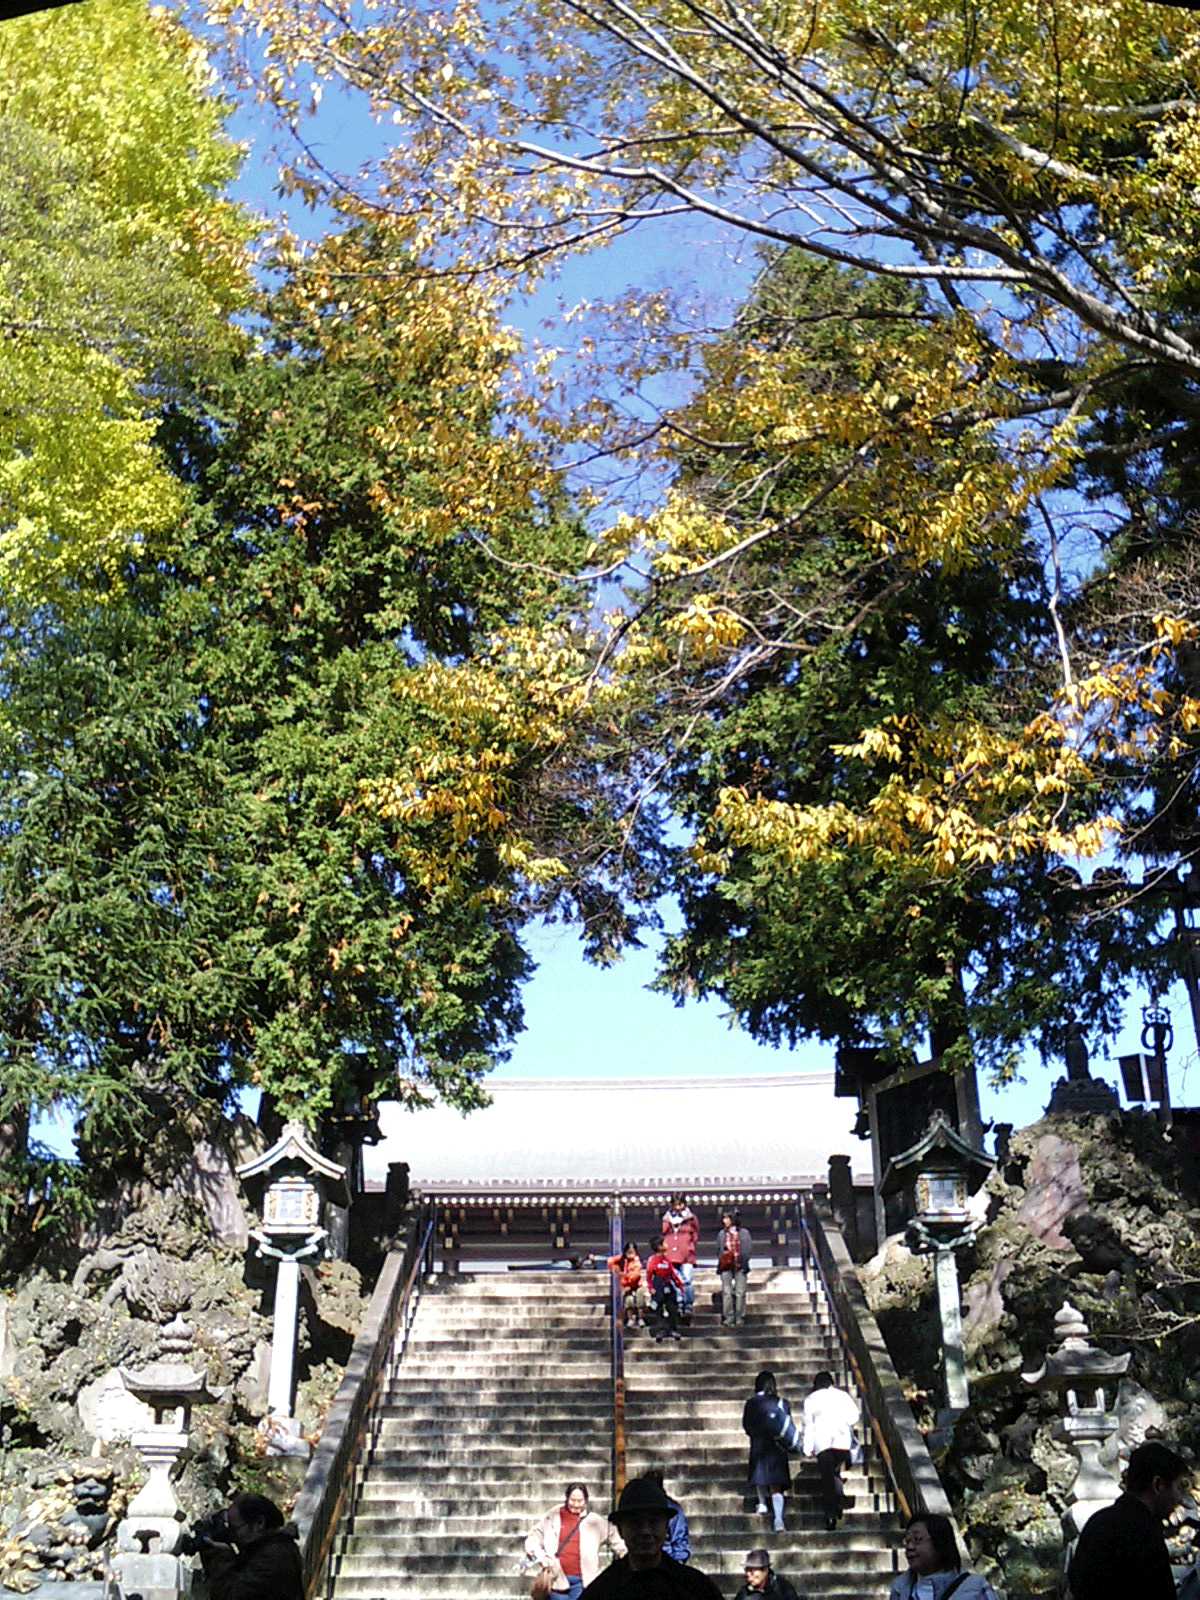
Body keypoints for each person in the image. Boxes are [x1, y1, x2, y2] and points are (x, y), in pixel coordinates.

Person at [1065, 1439, 1190, 1600]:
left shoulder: (1098, 1522)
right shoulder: (1145, 1533)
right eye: (1178, 1488)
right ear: (1158, 1485)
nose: (1179, 1499)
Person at [582, 1476, 722, 1600]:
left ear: (667, 1527)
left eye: (653, 1522)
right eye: (635, 1523)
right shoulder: (602, 1591)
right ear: (620, 1530)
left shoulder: (695, 1588)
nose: (645, 1531)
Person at [526, 1483, 626, 1600]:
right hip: (556, 1578)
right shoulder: (554, 1515)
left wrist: (627, 1557)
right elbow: (534, 1537)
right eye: (573, 1500)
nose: (576, 1504)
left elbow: (616, 1539)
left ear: (586, 1501)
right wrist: (541, 1557)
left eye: (580, 1501)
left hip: (583, 1582)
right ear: (567, 1498)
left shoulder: (594, 1521)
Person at [197, 1493, 303, 1600]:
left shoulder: (276, 1558)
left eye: (234, 1528)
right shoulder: (268, 1547)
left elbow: (229, 1596)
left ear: (259, 1523)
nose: (232, 1536)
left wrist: (221, 1556)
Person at [800, 1371, 860, 1530]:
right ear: (831, 1383)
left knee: (827, 1478)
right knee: (834, 1472)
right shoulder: (843, 1396)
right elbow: (854, 1417)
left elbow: (808, 1425)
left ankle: (831, 1515)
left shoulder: (811, 1399)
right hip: (842, 1442)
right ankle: (838, 1502)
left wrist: (807, 1447)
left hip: (822, 1443)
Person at [888, 1514, 998, 1600]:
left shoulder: (975, 1589)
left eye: (917, 1539)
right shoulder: (900, 1589)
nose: (910, 1547)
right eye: (907, 1541)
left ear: (940, 1542)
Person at [742, 1370, 792, 1533]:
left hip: (758, 1444)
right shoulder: (781, 1402)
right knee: (776, 1484)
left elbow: (746, 1425)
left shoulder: (751, 1403)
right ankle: (778, 1518)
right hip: (777, 1445)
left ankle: (762, 1503)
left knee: (760, 1476)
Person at [661, 1195, 700, 1319]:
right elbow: (664, 1232)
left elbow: (695, 1235)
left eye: (680, 1204)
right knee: (675, 1280)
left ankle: (688, 1304)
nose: (678, 1207)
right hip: (671, 1254)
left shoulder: (691, 1218)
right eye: (675, 1204)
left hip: (686, 1254)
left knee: (687, 1280)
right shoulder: (667, 1219)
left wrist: (689, 1246)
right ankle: (679, 1303)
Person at [642, 1468, 690, 1563]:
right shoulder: (638, 1507)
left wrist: (675, 1566)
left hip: (667, 1562)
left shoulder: (672, 1509)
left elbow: (680, 1541)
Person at [645, 1239, 686, 1342]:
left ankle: (673, 1328)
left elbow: (672, 1273)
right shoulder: (653, 1260)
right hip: (658, 1284)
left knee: (672, 1307)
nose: (667, 1245)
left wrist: (679, 1285)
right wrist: (651, 1288)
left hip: (668, 1284)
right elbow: (649, 1275)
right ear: (659, 1246)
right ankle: (661, 1329)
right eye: (664, 1243)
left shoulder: (667, 1260)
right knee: (658, 1308)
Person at [717, 1210, 752, 1327]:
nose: (724, 1221)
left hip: (740, 1264)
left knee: (740, 1292)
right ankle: (728, 1317)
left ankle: (739, 1317)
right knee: (726, 1292)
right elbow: (719, 1249)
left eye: (727, 1218)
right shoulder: (722, 1234)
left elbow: (747, 1248)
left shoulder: (744, 1233)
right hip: (726, 1265)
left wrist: (744, 1261)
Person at [607, 1242, 649, 1329]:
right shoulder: (623, 1261)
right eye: (628, 1252)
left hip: (637, 1285)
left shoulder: (637, 1262)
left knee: (640, 1299)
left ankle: (641, 1318)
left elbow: (634, 1276)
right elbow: (610, 1261)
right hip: (627, 1286)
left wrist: (625, 1279)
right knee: (628, 1300)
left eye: (632, 1252)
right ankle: (631, 1318)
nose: (630, 1254)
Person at [734, 1548, 802, 1600]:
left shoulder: (783, 1588)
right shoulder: (744, 1592)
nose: (748, 1574)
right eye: (747, 1570)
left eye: (752, 1571)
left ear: (765, 1570)